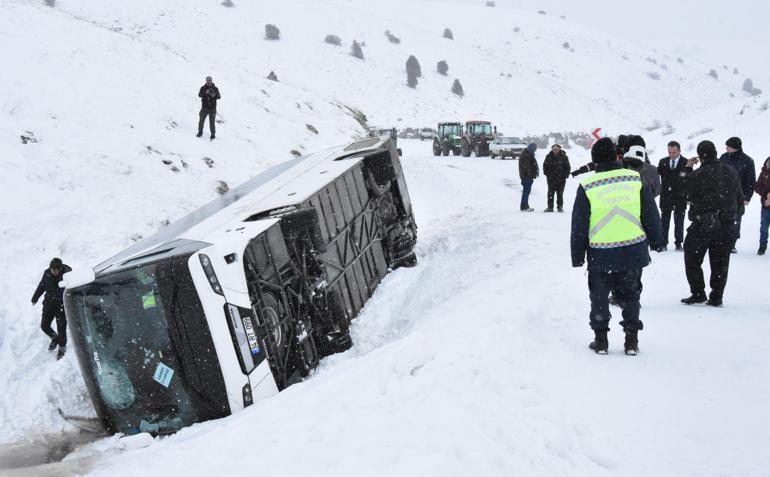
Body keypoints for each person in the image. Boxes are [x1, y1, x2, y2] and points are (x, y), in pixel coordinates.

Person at [571, 138, 662, 355]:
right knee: (631, 296)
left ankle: (601, 341)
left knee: (600, 297)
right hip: (632, 250)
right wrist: (657, 240)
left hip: (601, 253)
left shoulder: (588, 186)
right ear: (616, 156)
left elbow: (579, 225)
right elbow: (651, 214)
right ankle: (631, 341)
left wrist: (577, 256)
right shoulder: (635, 179)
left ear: (594, 160)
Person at [682, 141, 743, 307]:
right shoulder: (731, 171)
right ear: (716, 153)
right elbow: (739, 198)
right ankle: (716, 296)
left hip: (703, 224)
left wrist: (687, 168)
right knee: (720, 263)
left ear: (701, 156)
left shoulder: (698, 174)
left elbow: (684, 190)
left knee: (692, 257)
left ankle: (698, 292)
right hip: (726, 224)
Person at [719, 137, 755, 252]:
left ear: (734, 147)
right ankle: (720, 241)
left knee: (735, 219)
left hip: (738, 196)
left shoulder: (747, 161)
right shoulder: (723, 157)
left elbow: (750, 180)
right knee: (720, 218)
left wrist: (747, 196)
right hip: (722, 194)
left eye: (728, 146)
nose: (726, 148)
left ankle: (731, 243)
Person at [31, 258, 72, 360]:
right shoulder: (47, 273)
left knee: (61, 329)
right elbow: (41, 286)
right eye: (51, 269)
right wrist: (35, 298)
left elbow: (73, 290)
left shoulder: (67, 276)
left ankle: (62, 348)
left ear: (60, 268)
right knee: (44, 325)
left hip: (61, 307)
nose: (53, 271)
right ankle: (55, 338)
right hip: (48, 305)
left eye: (56, 270)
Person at [658, 141, 694, 251]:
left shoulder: (685, 162)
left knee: (679, 221)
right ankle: (663, 242)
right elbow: (661, 175)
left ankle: (679, 243)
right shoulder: (663, 161)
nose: (671, 155)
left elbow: (685, 178)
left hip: (680, 196)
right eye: (669, 152)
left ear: (679, 151)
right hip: (666, 196)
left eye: (674, 152)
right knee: (664, 221)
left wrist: (687, 168)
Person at [542, 144, 571, 212]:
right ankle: (550, 207)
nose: (555, 151)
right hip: (551, 179)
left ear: (559, 149)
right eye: (554, 149)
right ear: (552, 149)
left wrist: (565, 176)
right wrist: (547, 174)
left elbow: (568, 167)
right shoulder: (548, 156)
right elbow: (545, 166)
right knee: (550, 194)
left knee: (560, 194)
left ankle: (560, 207)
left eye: (557, 149)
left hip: (561, 179)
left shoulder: (564, 157)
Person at [754, 156, 770, 255]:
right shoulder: (764, 172)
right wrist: (765, 195)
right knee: (764, 228)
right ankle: (762, 247)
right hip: (765, 206)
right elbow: (757, 186)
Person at [518, 143, 539, 212]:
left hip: (527, 177)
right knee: (526, 192)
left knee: (526, 192)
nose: (534, 151)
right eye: (534, 149)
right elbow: (526, 168)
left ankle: (524, 205)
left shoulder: (528, 154)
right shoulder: (525, 155)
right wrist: (530, 175)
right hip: (526, 177)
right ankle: (524, 206)